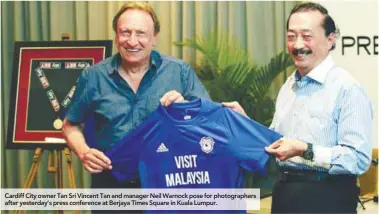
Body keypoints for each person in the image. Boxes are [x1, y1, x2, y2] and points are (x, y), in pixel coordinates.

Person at [223, 2, 373, 213]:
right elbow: (276, 142)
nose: (297, 44)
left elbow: (357, 159)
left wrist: (305, 149)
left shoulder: (348, 89)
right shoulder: (288, 86)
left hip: (328, 199)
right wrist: (245, 122)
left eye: (307, 36)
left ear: (330, 39)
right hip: (284, 196)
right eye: (291, 36)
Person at [62, 2, 209, 189]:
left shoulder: (179, 72)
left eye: (141, 33)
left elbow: (207, 119)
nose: (132, 41)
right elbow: (70, 124)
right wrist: (83, 152)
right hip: (110, 187)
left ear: (154, 38)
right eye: (125, 32)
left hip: (167, 184)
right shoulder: (93, 76)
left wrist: (185, 108)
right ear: (116, 37)